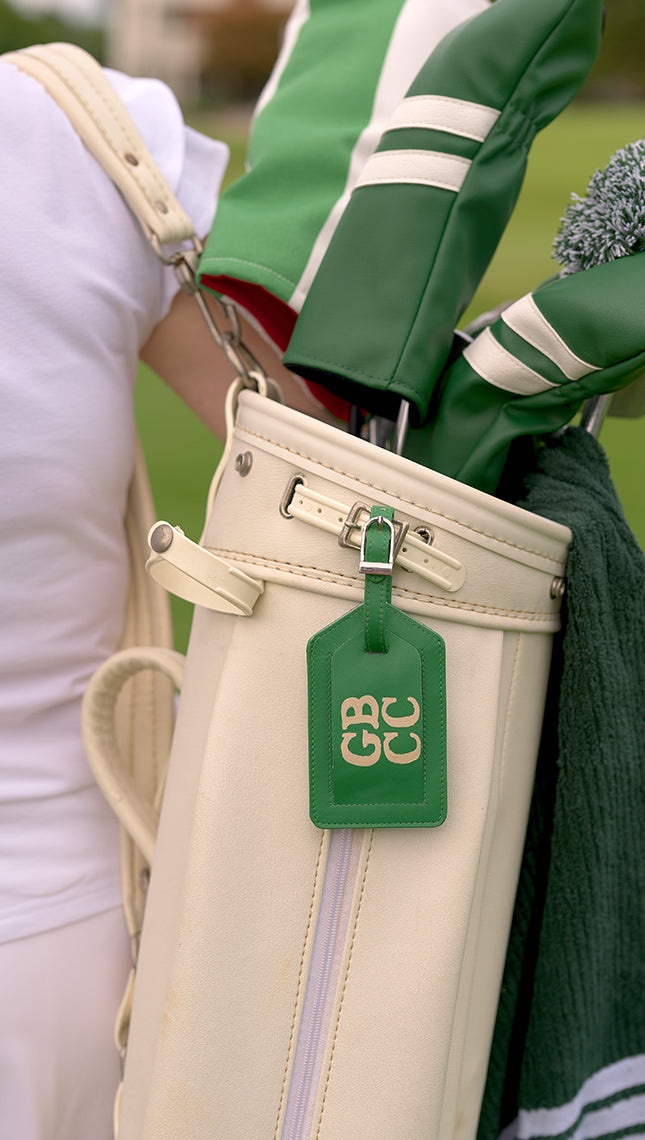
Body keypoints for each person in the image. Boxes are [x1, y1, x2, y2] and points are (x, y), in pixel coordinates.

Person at [0, 54, 321, 1140]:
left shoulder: (82, 146)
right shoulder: (74, 142)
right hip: (87, 950)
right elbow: (338, 468)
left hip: (94, 948)